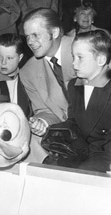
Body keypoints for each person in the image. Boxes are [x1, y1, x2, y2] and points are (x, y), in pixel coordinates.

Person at [19, 8, 76, 162]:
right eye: (27, 37)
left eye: (36, 35)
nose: (30, 42)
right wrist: (42, 122)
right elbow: (44, 109)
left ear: (55, 32)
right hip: (68, 132)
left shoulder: (83, 50)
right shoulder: (28, 71)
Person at [55, 30, 111, 172]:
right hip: (81, 149)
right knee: (50, 165)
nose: (74, 63)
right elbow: (74, 120)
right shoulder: (74, 86)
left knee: (82, 172)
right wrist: (58, 133)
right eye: (73, 57)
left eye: (80, 57)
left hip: (105, 152)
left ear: (101, 60)